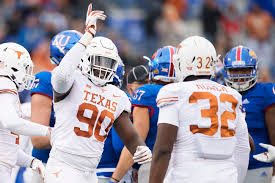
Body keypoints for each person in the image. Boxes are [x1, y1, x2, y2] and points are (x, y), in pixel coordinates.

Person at [45, 4, 151, 183]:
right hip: (63, 165)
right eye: (99, 61)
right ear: (86, 59)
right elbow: (62, 74)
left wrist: (142, 150)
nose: (103, 67)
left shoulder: (117, 96)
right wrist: (88, 36)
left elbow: (131, 137)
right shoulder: (73, 80)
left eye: (108, 63)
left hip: (91, 172)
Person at [149, 36, 250, 183]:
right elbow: (242, 148)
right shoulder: (232, 94)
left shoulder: (173, 91)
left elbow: (163, 148)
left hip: (186, 177)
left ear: (182, 62)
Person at [111, 46, 176, 183]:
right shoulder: (190, 93)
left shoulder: (147, 92)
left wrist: (115, 179)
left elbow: (136, 145)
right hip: (186, 166)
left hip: (156, 166)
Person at [30, 30, 82, 183]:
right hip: (48, 165)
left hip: (78, 166)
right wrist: (82, 135)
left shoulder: (87, 85)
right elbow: (38, 139)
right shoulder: (47, 80)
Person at [0, 42, 52, 183]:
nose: (28, 73)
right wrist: (48, 131)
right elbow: (11, 122)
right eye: (25, 68)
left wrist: (32, 162)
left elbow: (6, 148)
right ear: (12, 65)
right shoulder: (5, 83)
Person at [223, 45, 275, 183]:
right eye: (234, 71)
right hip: (226, 167)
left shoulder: (266, 92)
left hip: (258, 166)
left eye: (244, 69)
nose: (239, 75)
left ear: (254, 70)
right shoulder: (219, 92)